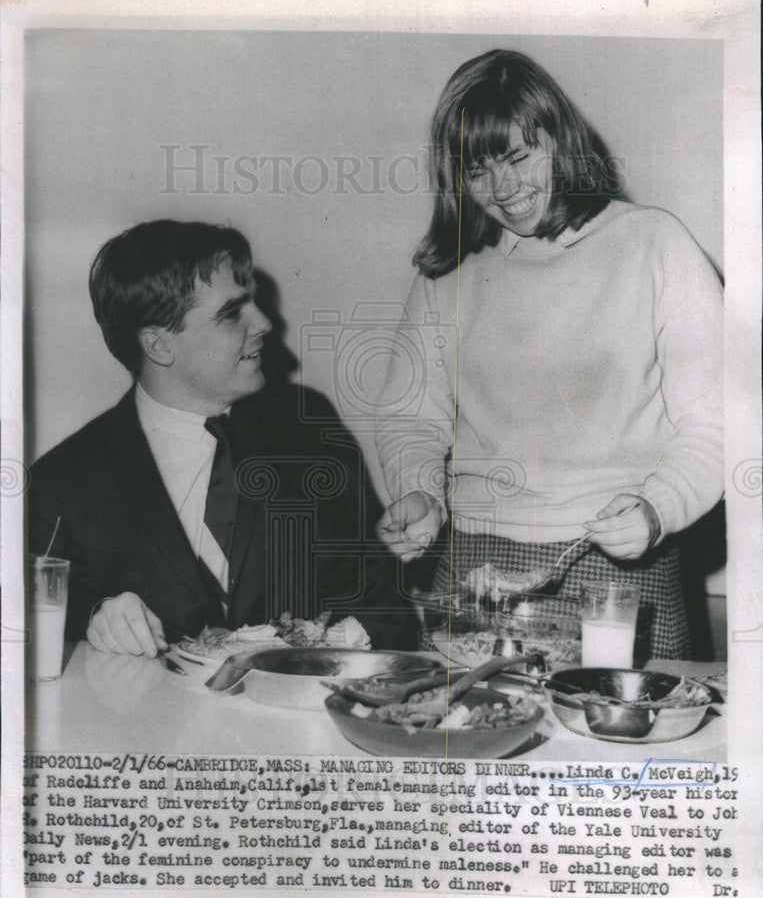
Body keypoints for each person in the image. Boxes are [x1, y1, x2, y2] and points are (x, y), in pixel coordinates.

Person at [375, 50, 723, 659]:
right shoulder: (447, 270)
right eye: (477, 172)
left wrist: (657, 508)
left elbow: (720, 420)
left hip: (616, 567)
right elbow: (412, 417)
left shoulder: (653, 243)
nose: (503, 190)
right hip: (471, 563)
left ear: (561, 141)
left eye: (517, 157)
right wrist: (419, 492)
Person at [29, 220, 417, 656]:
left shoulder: (309, 430)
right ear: (159, 346)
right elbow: (33, 602)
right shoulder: (61, 482)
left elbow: (383, 611)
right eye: (233, 313)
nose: (265, 322)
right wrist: (96, 614)